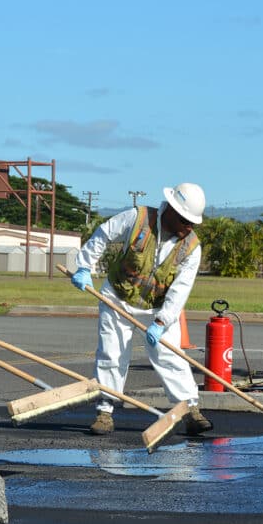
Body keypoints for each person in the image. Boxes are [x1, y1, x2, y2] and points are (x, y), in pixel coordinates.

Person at [71, 182, 213, 436]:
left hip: (157, 308)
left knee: (171, 356)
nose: (188, 227)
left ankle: (190, 410)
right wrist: (84, 266)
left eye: (192, 223)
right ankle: (105, 411)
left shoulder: (192, 247)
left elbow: (180, 290)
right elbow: (103, 234)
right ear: (170, 209)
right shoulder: (137, 219)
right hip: (118, 297)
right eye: (184, 221)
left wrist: (161, 323)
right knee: (112, 353)